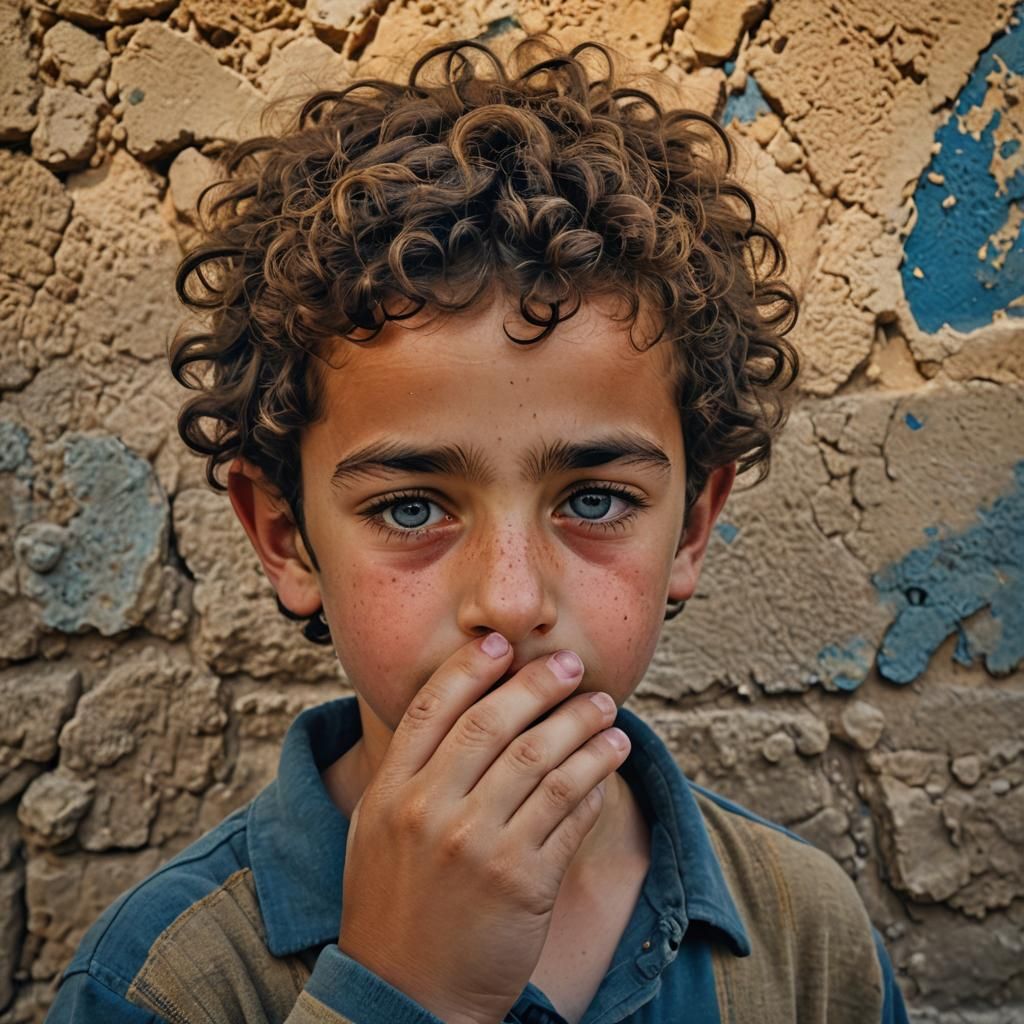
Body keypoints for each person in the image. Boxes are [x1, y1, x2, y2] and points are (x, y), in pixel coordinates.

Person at [45, 35, 909, 1024]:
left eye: (595, 500)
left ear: (690, 529)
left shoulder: (807, 942)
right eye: (411, 507)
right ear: (286, 537)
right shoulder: (159, 984)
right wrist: (404, 994)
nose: (509, 598)